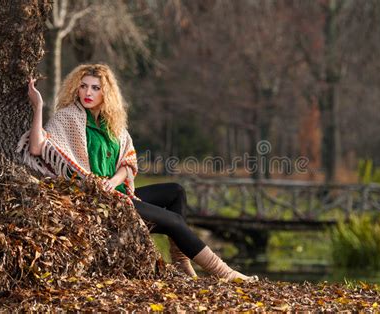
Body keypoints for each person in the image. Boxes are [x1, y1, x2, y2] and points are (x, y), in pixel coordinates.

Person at [18, 63, 256, 282]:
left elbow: (128, 162)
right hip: (99, 201)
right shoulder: (68, 117)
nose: (88, 93)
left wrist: (114, 181)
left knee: (175, 191)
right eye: (83, 86)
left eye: (95, 88)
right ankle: (227, 273)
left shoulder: (113, 124)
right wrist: (39, 106)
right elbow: (38, 147)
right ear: (76, 88)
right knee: (173, 221)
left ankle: (182, 261)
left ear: (106, 92)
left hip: (120, 193)